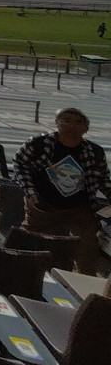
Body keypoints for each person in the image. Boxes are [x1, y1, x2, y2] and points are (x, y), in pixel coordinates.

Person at [13, 107, 111, 275]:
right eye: (66, 120)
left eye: (78, 122)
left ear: (86, 128)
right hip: (43, 206)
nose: (71, 125)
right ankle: (18, 273)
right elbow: (20, 164)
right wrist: (30, 191)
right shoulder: (38, 144)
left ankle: (84, 281)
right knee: (29, 240)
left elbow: (103, 180)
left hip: (80, 209)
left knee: (88, 248)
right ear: (56, 123)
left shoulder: (95, 152)